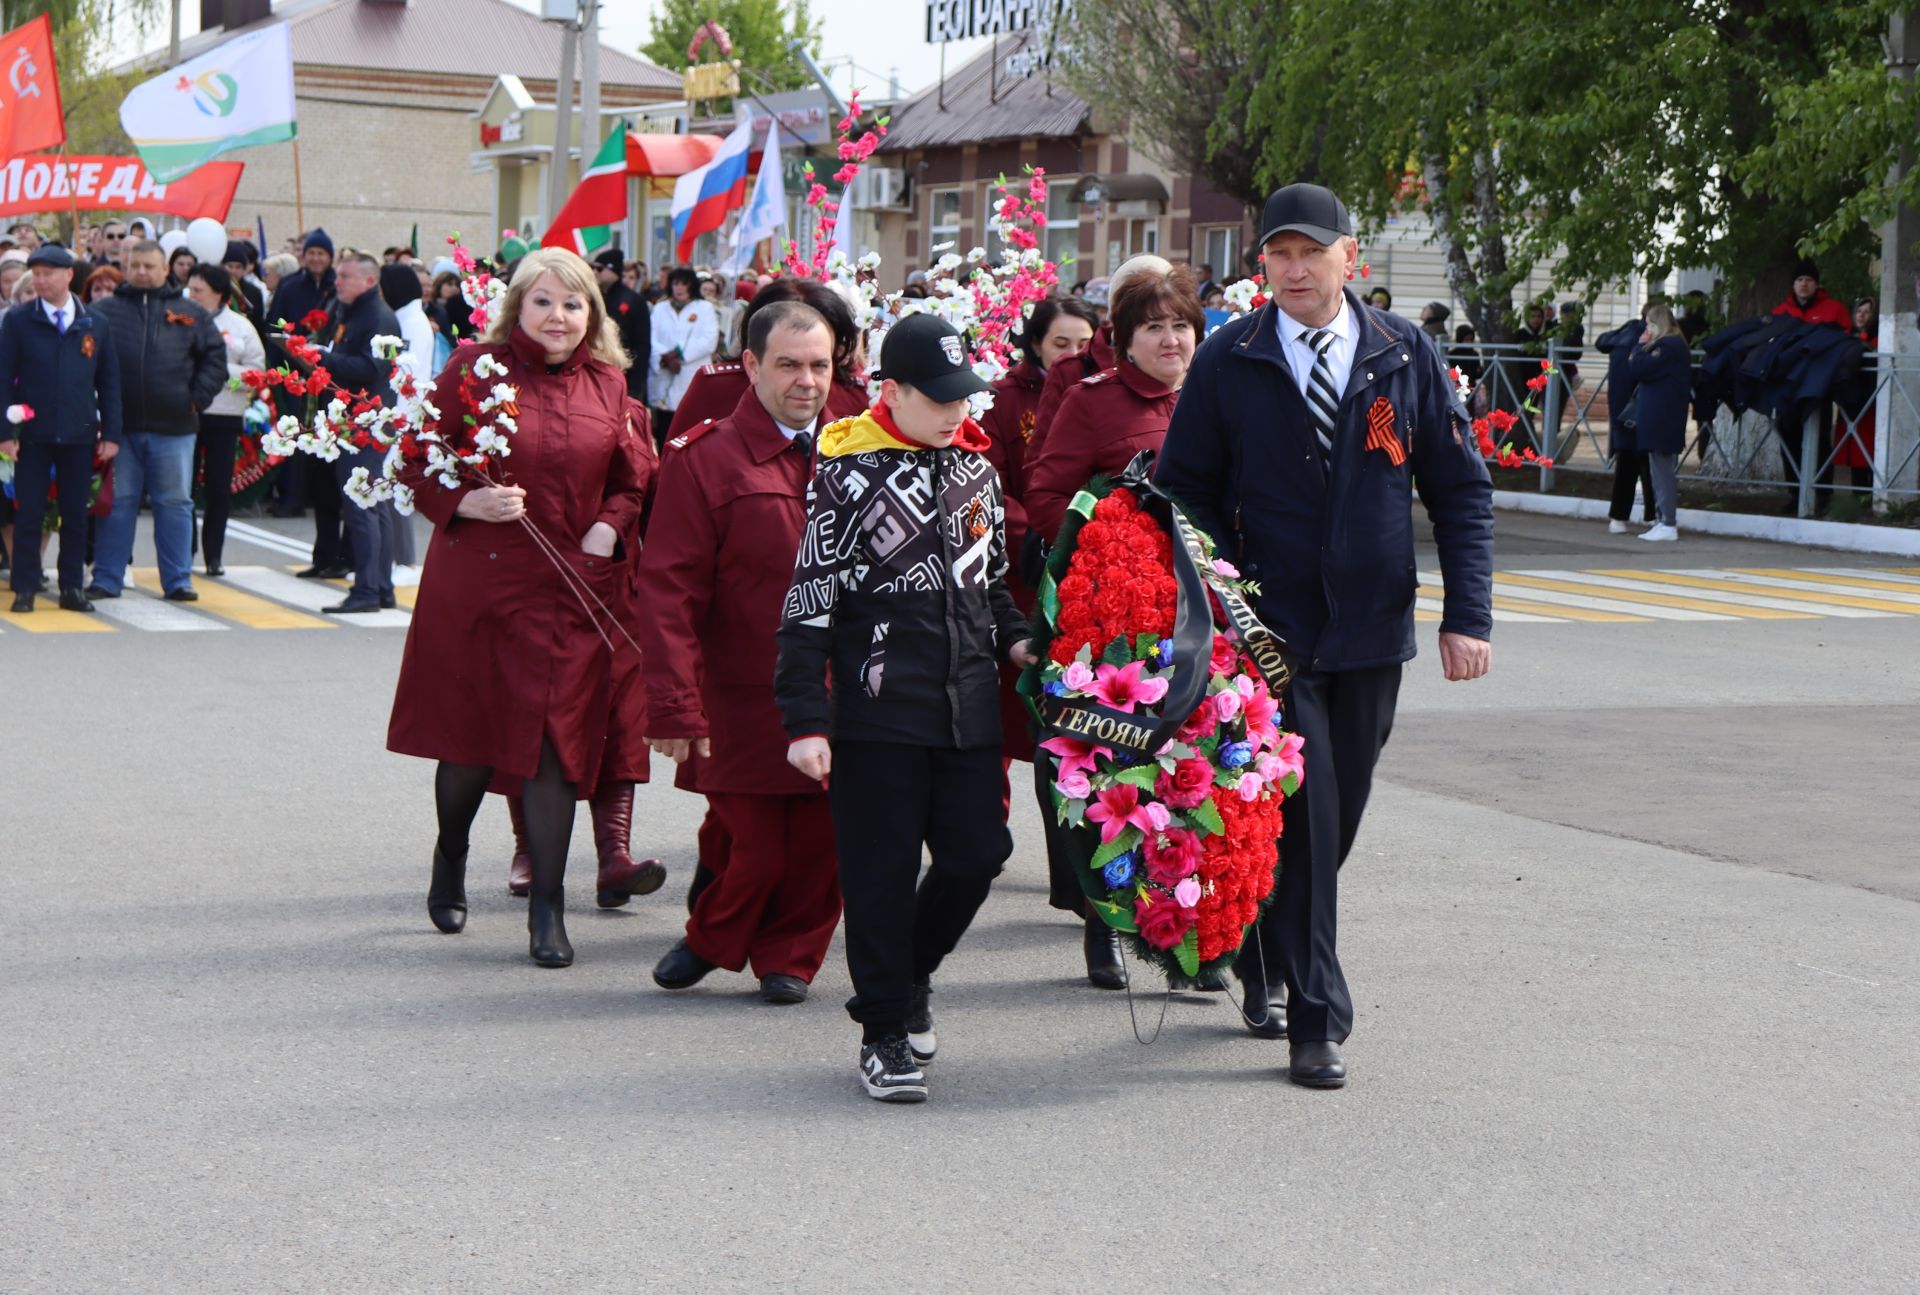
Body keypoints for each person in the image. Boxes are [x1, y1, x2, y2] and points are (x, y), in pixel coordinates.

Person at [1154, 183, 1494, 1089]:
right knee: (1306, 820)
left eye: (1312, 252)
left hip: (1375, 631)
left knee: (1335, 821)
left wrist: (1470, 614)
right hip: (1274, 635)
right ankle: (1317, 1017)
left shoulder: (1403, 354)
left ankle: (1266, 946)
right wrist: (1227, 595)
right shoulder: (1232, 358)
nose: (1295, 269)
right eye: (1278, 255)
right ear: (1260, 265)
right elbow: (1181, 489)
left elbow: (1460, 491)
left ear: (1353, 259)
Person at [774, 312, 1036, 1104]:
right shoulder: (846, 471)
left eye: (966, 395)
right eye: (941, 396)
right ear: (893, 390)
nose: (959, 411)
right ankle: (884, 1031)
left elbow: (990, 586)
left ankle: (909, 975)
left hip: (966, 705)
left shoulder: (976, 472)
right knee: (880, 876)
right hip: (879, 707)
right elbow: (810, 596)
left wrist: (1020, 644)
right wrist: (805, 718)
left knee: (978, 852)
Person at [387, 247, 655, 969]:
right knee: (471, 744)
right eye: (543, 301)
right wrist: (463, 499)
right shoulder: (475, 368)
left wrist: (610, 525)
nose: (558, 316)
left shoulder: (610, 384)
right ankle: (451, 853)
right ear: (518, 308)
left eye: (573, 304)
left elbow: (635, 479)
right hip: (482, 583)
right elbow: (414, 457)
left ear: (591, 314)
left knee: (554, 746)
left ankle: (548, 909)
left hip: (571, 588)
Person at [638, 301, 844, 1005]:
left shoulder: (858, 451)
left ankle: (791, 955)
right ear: (752, 366)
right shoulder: (706, 458)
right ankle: (712, 937)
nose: (807, 381)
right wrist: (673, 701)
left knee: (823, 840)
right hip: (741, 692)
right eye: (788, 364)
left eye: (820, 364)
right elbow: (668, 589)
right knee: (754, 841)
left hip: (838, 687)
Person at [87, 240, 226, 603]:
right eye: (136, 265)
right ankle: (106, 578)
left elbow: (215, 359)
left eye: (150, 265)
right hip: (120, 429)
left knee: (175, 504)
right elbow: (84, 360)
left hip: (175, 428)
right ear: (126, 267)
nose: (142, 272)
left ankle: (178, 580)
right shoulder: (103, 312)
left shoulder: (192, 312)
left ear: (166, 269)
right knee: (117, 504)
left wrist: (196, 399)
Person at [1025, 267, 1201, 543]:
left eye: (1180, 325)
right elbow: (1046, 498)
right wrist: (1107, 550)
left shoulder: (1216, 392)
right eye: (1154, 327)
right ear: (1125, 341)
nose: (1171, 340)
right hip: (1131, 576)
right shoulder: (1091, 401)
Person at [0, 245, 121, 613]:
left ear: (69, 275)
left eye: (48, 273)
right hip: (32, 434)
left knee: (74, 513)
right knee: (29, 513)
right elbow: (3, 379)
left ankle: (72, 588)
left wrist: (112, 434)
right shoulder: (19, 320)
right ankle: (24, 587)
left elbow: (110, 381)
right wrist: (5, 433)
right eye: (35, 274)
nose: (40, 280)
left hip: (79, 433)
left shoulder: (94, 322)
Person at [315, 252, 400, 613]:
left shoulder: (379, 316)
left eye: (345, 276)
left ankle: (368, 590)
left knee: (363, 509)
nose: (338, 281)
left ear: (368, 280)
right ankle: (379, 587)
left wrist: (324, 357)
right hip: (357, 420)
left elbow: (372, 367)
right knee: (372, 508)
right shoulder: (352, 310)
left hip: (366, 424)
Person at [1028, 255, 1171, 465]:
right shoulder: (1074, 372)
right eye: (1152, 322)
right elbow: (1043, 467)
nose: (1169, 339)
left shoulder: (1195, 372)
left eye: (1178, 322)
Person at [183, 264, 265, 578]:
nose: (191, 295)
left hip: (225, 414)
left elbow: (257, 371)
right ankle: (184, 552)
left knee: (218, 489)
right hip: (187, 412)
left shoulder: (240, 326)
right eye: (189, 289)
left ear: (218, 293)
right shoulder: (181, 319)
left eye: (198, 290)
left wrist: (218, 371)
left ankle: (213, 555)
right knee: (184, 487)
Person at [379, 261, 436, 572]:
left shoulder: (411, 322)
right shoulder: (406, 317)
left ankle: (404, 559)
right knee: (389, 487)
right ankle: (395, 558)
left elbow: (404, 372)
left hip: (401, 412)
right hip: (397, 412)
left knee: (394, 487)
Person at [1628, 303, 1691, 543]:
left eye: (1649, 325)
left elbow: (1638, 368)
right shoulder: (1671, 345)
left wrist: (1638, 346)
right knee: (1657, 468)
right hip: (1662, 415)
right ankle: (1662, 518)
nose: (1647, 330)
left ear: (1658, 324)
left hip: (1662, 416)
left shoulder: (1668, 346)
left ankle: (1668, 522)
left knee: (1662, 470)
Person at [1595, 305, 1658, 532]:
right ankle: (1652, 515)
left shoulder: (1623, 337)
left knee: (1625, 465)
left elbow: (1601, 342)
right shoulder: (1648, 342)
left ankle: (1618, 517)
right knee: (1649, 463)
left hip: (1621, 411)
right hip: (1643, 409)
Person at [648, 266, 718, 431]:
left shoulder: (704, 308)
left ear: (691, 286)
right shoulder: (660, 308)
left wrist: (679, 354)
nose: (679, 288)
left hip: (690, 374)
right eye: (675, 283)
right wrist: (665, 356)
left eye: (684, 284)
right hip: (664, 372)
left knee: (688, 426)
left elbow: (709, 340)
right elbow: (651, 338)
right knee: (663, 428)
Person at [592, 249, 650, 404]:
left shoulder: (633, 300)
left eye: (599, 268)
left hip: (625, 377)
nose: (594, 272)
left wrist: (635, 387)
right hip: (599, 376)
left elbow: (642, 345)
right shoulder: (595, 298)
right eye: (593, 267)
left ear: (613, 270)